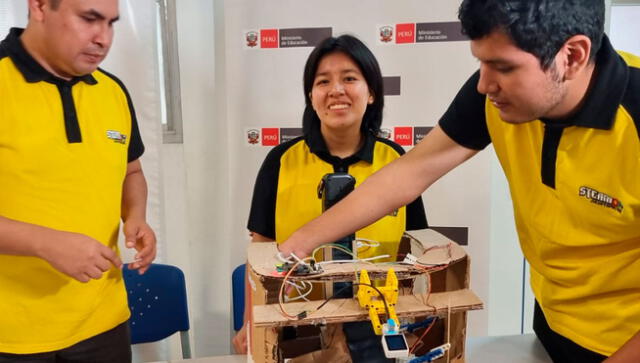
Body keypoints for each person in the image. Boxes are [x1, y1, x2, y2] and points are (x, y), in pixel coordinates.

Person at [278, 1, 640, 362]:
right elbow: (409, 174)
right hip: (553, 325)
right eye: (481, 62)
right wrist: (299, 243)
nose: (484, 84)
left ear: (572, 56)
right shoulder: (494, 96)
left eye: (503, 67)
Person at [232, 35, 428, 362]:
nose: (336, 90)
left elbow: (416, 248)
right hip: (299, 324)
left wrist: (418, 319)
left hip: (378, 324)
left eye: (349, 78)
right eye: (323, 81)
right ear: (311, 95)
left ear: (372, 92)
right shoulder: (281, 161)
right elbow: (260, 253)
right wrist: (250, 321)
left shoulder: (396, 161)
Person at [0, 0, 156, 362]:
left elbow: (131, 172)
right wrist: (45, 243)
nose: (103, 38)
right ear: (39, 6)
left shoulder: (112, 90)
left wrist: (136, 216)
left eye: (111, 23)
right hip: (11, 338)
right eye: (89, 19)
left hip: (104, 324)